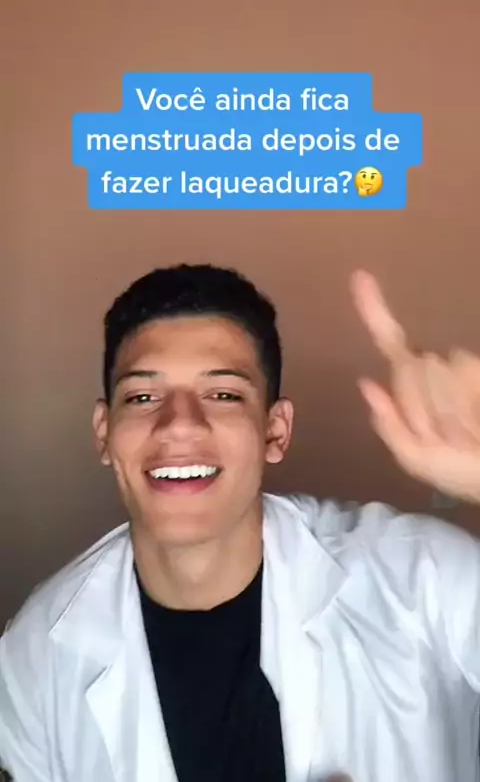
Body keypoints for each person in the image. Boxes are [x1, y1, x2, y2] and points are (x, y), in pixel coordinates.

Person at [1, 263, 480, 782]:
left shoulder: (422, 578)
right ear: (104, 432)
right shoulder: (35, 651)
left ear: (275, 431)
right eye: (142, 397)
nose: (179, 423)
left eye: (223, 394)